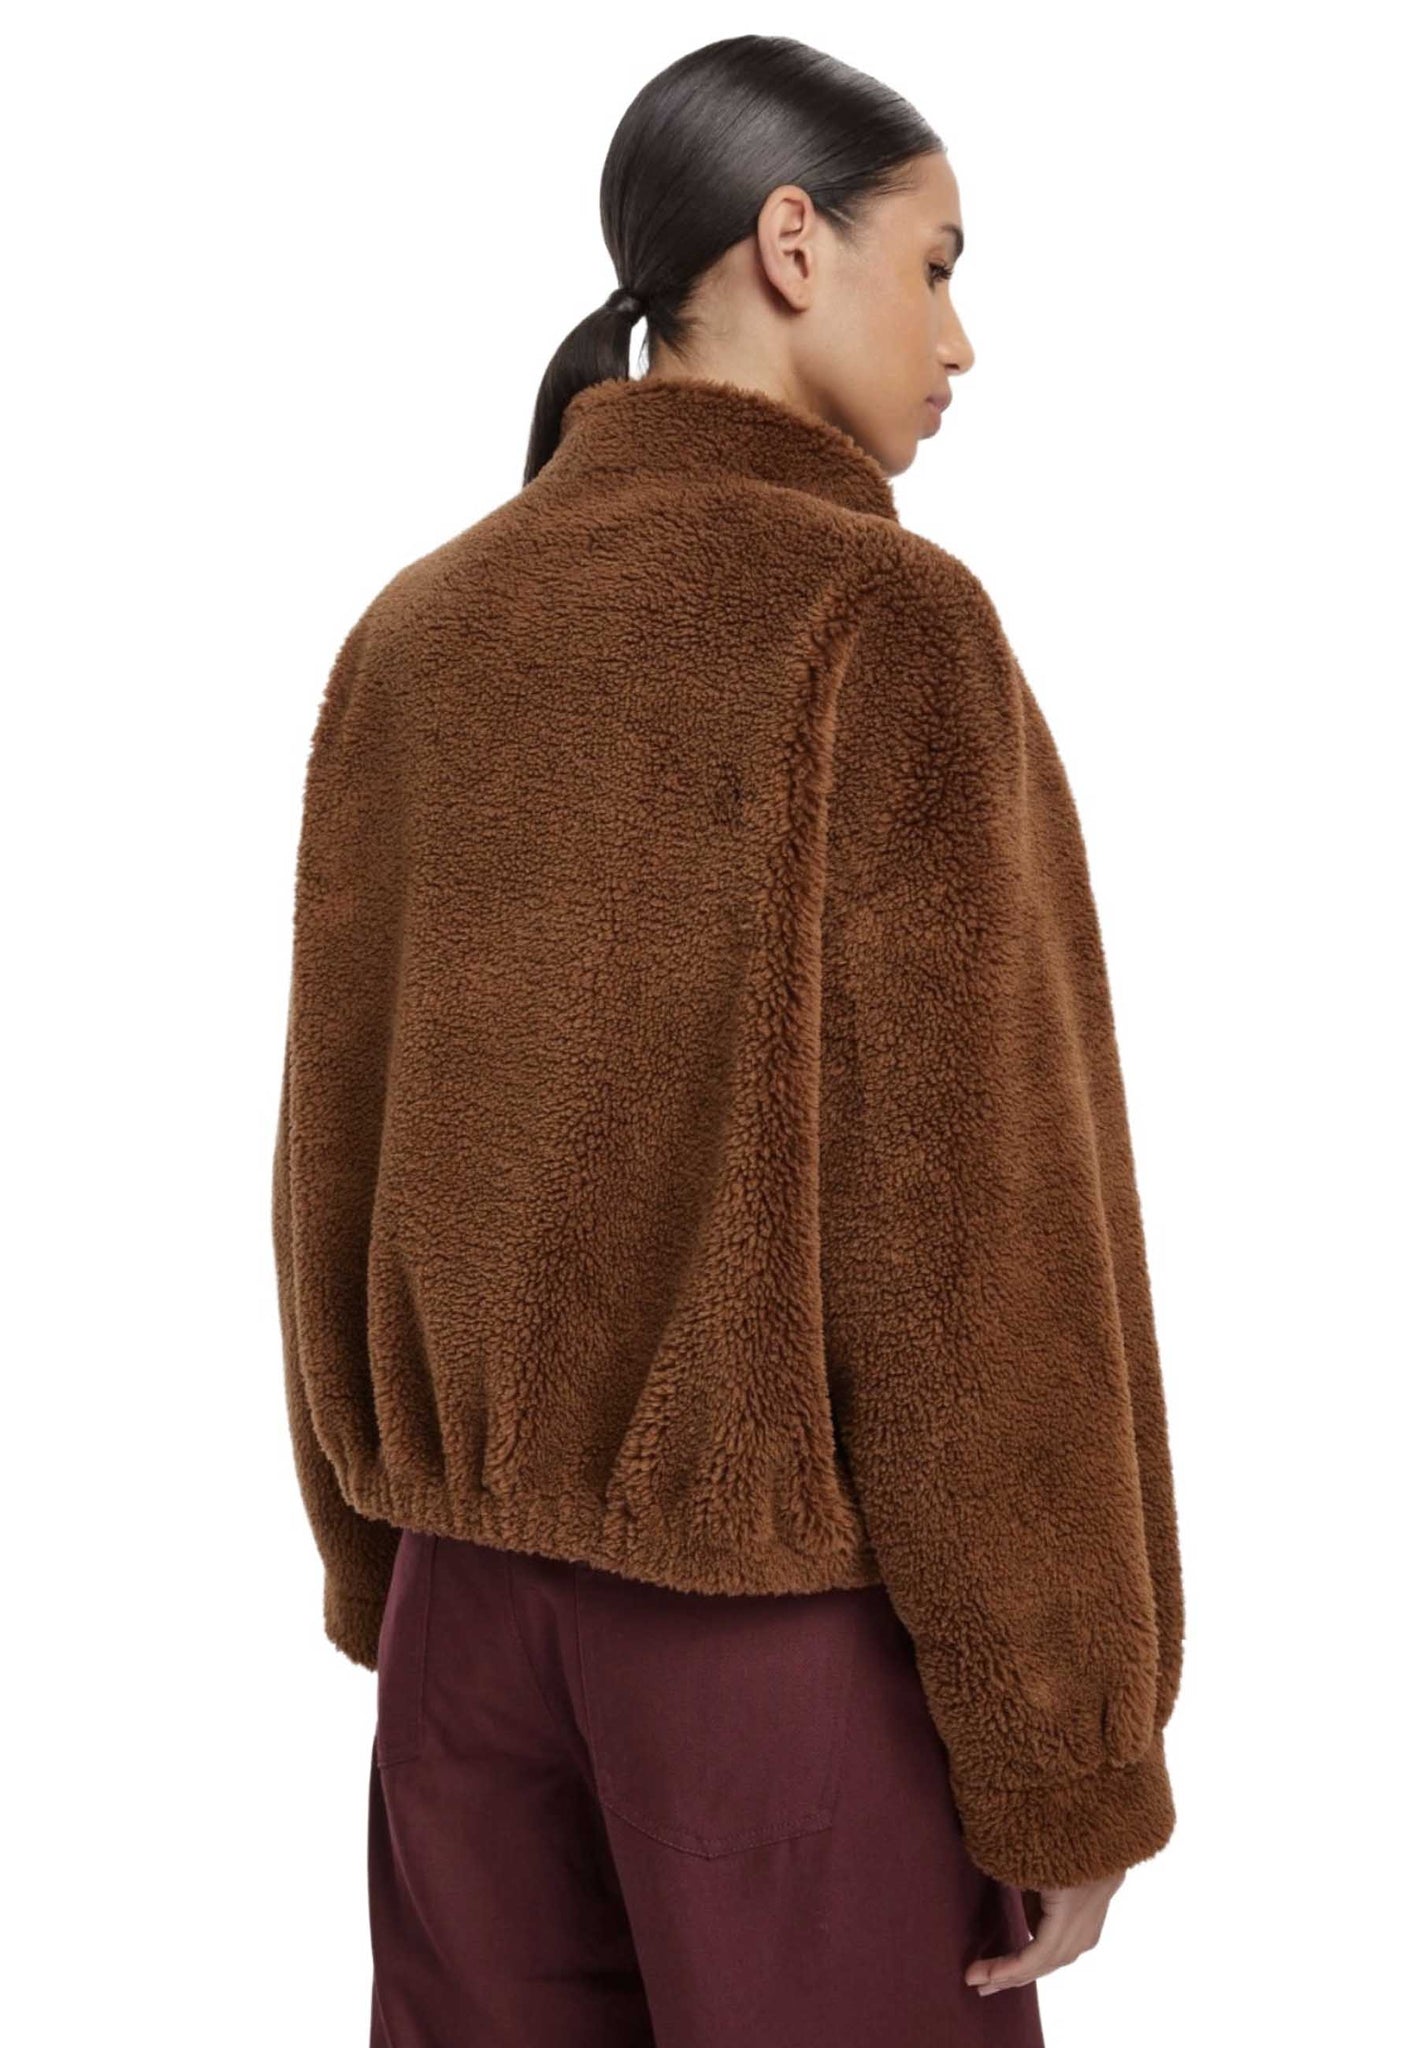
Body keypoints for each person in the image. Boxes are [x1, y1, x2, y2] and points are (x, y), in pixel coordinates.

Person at [271, 32, 1185, 2048]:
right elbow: (976, 1243)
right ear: (788, 243)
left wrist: (381, 1564)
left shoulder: (417, 628)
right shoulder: (876, 621)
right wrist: (1066, 1749)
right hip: (773, 1668)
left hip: (457, 1639)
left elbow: (331, 1148)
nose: (960, 340)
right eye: (934, 265)